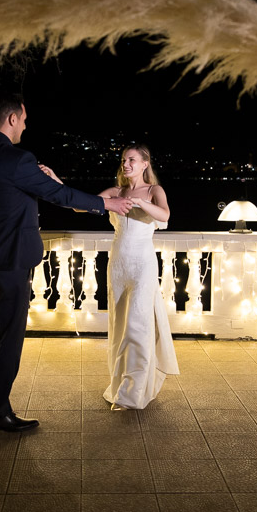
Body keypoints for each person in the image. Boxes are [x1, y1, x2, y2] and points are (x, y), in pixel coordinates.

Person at [0, 93, 133, 433]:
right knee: (10, 337)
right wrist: (105, 204)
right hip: (10, 259)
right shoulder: (18, 159)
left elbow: (2, 197)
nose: (25, 124)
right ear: (11, 119)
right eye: (23, 119)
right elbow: (60, 196)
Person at [98, 144, 180, 409]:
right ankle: (119, 384)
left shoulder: (155, 191)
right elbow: (84, 207)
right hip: (118, 265)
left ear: (145, 164)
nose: (126, 164)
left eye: (132, 159)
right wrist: (55, 182)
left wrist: (143, 202)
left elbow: (165, 215)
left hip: (143, 265)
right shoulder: (116, 192)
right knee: (119, 325)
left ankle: (135, 392)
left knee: (137, 325)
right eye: (124, 160)